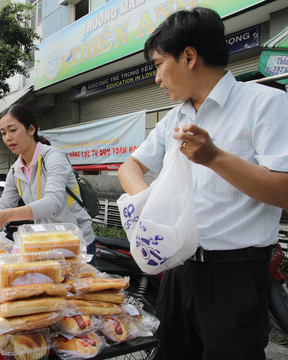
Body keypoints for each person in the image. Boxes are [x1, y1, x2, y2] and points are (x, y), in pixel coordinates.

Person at [117, 7, 288, 360]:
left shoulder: (265, 104)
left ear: (189, 56)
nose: (157, 78)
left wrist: (214, 157)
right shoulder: (174, 118)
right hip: (177, 268)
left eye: (159, 64)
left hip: (234, 275)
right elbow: (129, 166)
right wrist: (150, 202)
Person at [0, 104, 95, 252]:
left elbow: (53, 202)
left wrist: (6, 215)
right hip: (46, 244)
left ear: (31, 129)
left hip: (78, 243)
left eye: (13, 130)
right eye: (3, 133)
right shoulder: (15, 170)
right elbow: (3, 207)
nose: (8, 137)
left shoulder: (53, 157)